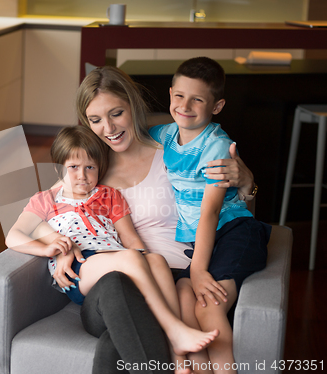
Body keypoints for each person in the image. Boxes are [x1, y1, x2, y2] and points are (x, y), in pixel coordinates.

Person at [52, 64, 257, 374]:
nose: (108, 128)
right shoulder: (89, 169)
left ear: (133, 105)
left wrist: (247, 184)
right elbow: (52, 209)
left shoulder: (174, 149)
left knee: (118, 339)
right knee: (121, 297)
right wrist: (62, 245)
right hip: (118, 283)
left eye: (116, 114)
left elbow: (228, 214)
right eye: (95, 120)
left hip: (173, 275)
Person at [5, 125, 220, 370]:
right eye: (73, 167)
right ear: (58, 168)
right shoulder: (46, 200)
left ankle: (178, 356)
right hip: (80, 268)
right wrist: (49, 248)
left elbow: (130, 239)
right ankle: (174, 329)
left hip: (116, 257)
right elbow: (14, 235)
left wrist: (147, 263)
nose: (82, 175)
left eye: (90, 168)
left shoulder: (108, 195)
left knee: (156, 261)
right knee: (130, 259)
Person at [148, 57, 271, 374]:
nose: (185, 106)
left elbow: (210, 213)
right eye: (179, 96)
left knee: (210, 308)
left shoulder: (216, 147)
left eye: (197, 99)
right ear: (171, 93)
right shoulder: (164, 135)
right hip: (203, 239)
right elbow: (130, 138)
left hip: (234, 231)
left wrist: (200, 269)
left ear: (216, 106)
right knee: (186, 296)